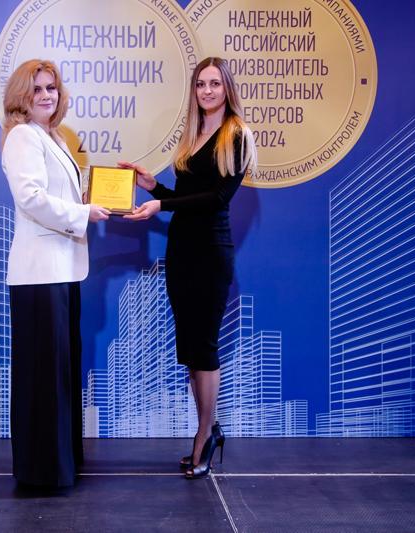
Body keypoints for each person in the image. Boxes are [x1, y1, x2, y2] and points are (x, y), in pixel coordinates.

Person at [120, 57, 258, 479]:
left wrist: (161, 203)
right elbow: (185, 198)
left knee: (205, 348)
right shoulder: (193, 135)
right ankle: (208, 429)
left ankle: (204, 435)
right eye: (201, 84)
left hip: (211, 254)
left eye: (215, 83)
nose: (207, 91)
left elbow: (216, 199)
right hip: (181, 252)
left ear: (227, 88)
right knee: (191, 351)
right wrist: (152, 187)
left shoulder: (236, 135)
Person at [1, 59, 110, 488]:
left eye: (52, 87)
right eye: (37, 89)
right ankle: (42, 471)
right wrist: (83, 213)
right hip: (39, 274)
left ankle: (59, 464)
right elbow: (30, 198)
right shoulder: (22, 136)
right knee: (43, 377)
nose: (47, 95)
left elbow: (56, 195)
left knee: (59, 373)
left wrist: (88, 200)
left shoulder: (53, 136)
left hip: (62, 270)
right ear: (22, 96)